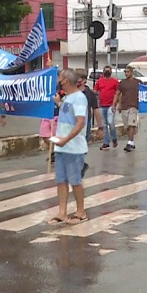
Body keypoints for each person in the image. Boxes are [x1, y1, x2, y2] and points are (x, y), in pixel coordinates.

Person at [47, 69, 90, 225]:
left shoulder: (79, 98)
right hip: (61, 146)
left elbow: (80, 122)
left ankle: (81, 211)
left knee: (75, 180)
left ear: (65, 80)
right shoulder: (67, 98)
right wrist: (58, 102)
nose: (58, 79)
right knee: (61, 180)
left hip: (74, 147)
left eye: (59, 77)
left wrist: (66, 139)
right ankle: (62, 212)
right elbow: (67, 115)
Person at [114, 66, 141, 152]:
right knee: (127, 126)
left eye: (128, 72)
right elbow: (118, 94)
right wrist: (115, 104)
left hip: (134, 106)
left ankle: (130, 142)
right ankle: (131, 142)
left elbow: (144, 92)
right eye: (125, 72)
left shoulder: (138, 82)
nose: (126, 73)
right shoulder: (122, 83)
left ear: (132, 72)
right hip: (124, 106)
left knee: (131, 124)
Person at [94, 66, 119, 150]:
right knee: (104, 124)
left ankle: (114, 138)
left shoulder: (115, 81)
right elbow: (95, 91)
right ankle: (106, 142)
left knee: (110, 122)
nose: (107, 72)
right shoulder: (99, 81)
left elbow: (118, 93)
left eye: (109, 70)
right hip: (101, 105)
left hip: (111, 105)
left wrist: (116, 103)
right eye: (106, 70)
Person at [77, 75, 103, 143]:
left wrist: (100, 127)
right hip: (74, 121)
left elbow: (95, 109)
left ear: (84, 81)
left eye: (79, 80)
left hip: (86, 121)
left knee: (84, 142)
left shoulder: (90, 93)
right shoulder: (72, 92)